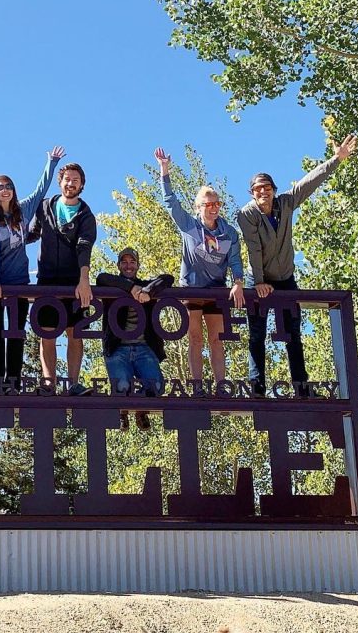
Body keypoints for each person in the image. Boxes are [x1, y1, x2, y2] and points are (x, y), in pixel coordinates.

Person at [235, 134, 358, 397]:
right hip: (257, 278)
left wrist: (336, 159)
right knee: (256, 335)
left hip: (285, 279)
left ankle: (301, 387)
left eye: (266, 187)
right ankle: (256, 388)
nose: (262, 192)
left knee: (293, 334)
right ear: (251, 193)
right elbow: (253, 248)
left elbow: (308, 183)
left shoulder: (286, 204)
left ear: (274, 190)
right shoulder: (247, 215)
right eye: (257, 189)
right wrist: (258, 283)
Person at [154, 148, 245, 387]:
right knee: (195, 339)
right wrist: (165, 171)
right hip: (192, 290)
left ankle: (221, 385)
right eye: (208, 204)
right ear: (198, 207)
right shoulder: (189, 226)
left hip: (216, 291)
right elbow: (170, 202)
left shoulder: (229, 233)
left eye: (217, 203)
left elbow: (235, 260)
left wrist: (238, 283)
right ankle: (196, 385)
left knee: (217, 339)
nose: (213, 208)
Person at [0, 147, 66, 393]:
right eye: (0, 187)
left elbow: (41, 189)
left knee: (17, 333)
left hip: (19, 284)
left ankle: (13, 382)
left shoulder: (24, 211)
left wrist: (51, 162)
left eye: (8, 185)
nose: (5, 190)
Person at [27, 162, 96, 394]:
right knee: (47, 333)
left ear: (82, 184)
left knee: (75, 333)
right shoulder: (45, 206)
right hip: (46, 281)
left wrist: (84, 280)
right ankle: (49, 383)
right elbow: (30, 234)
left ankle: (74, 383)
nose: (71, 183)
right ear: (60, 181)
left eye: (75, 180)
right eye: (67, 179)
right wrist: (7, 243)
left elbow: (84, 247)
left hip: (74, 283)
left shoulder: (86, 215)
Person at [96, 250, 175, 429]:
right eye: (124, 262)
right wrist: (131, 288)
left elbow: (168, 278)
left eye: (132, 262)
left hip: (144, 347)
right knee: (122, 386)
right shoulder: (112, 286)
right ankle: (123, 411)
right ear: (118, 265)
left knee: (156, 385)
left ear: (138, 265)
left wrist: (148, 291)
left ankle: (141, 409)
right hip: (117, 347)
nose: (129, 265)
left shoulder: (146, 287)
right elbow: (101, 277)